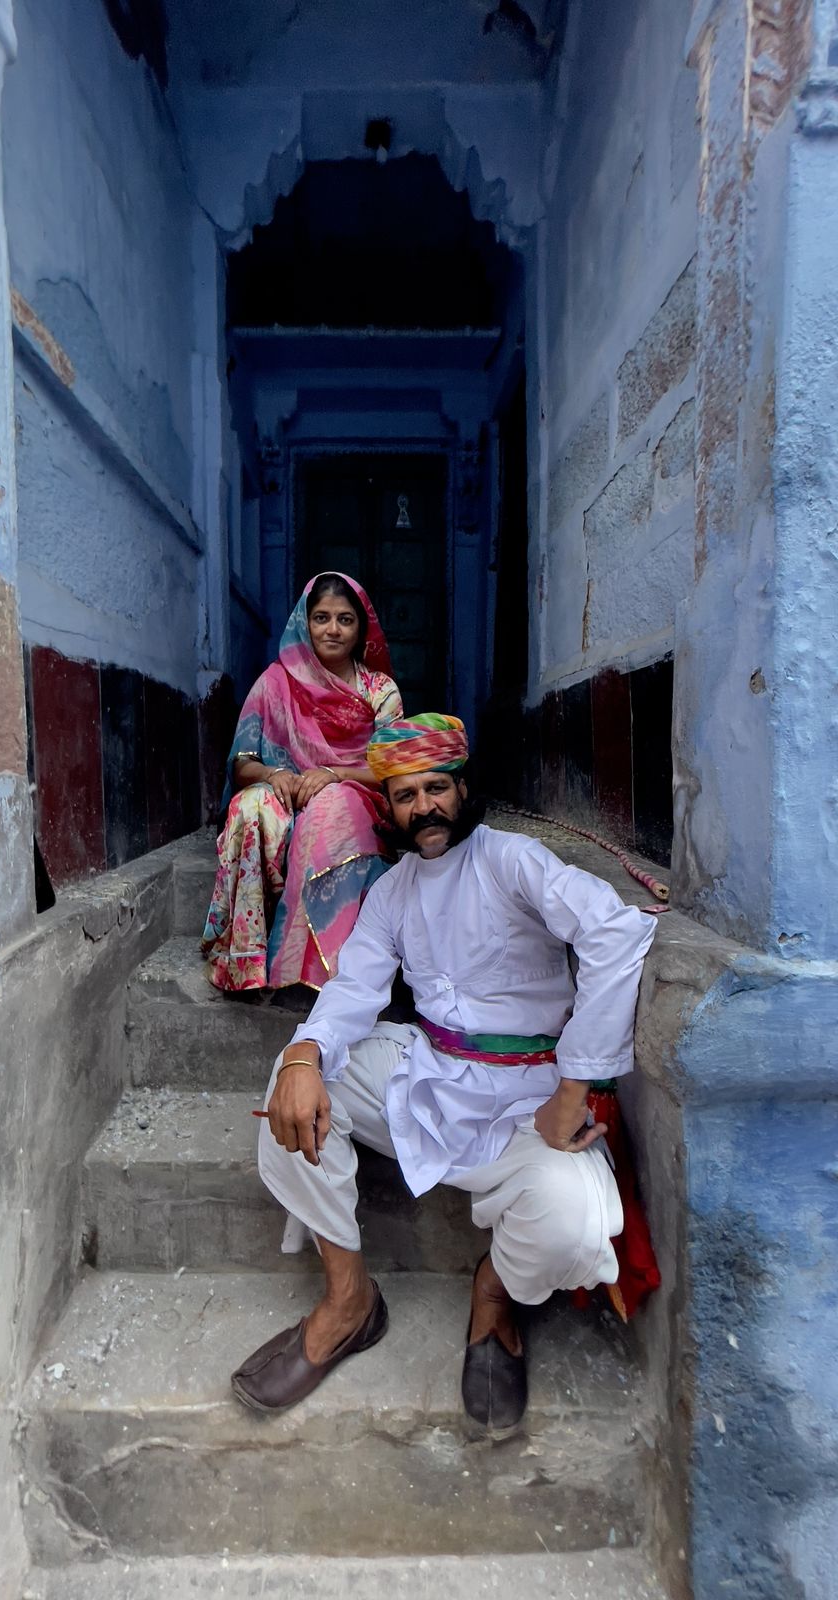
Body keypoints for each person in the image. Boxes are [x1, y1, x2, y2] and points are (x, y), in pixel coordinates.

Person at [230, 712, 659, 1429]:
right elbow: (355, 991)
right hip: (429, 1076)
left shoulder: (511, 860)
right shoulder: (393, 890)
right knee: (293, 1087)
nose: (423, 807)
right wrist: (305, 1053)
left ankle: (494, 1294)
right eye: (404, 795)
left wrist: (575, 1086)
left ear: (463, 788)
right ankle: (349, 1301)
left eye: (436, 788)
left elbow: (617, 934)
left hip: (530, 1101)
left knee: (572, 1224)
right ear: (388, 809)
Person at [201, 573, 403, 993]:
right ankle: (247, 961)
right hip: (287, 792)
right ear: (303, 623)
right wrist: (275, 775)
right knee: (251, 807)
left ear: (361, 628)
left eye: (345, 619)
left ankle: (319, 965)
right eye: (322, 617)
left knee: (331, 810)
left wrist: (334, 774)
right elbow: (242, 763)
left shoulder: (379, 690)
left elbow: (394, 768)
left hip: (354, 794)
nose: (333, 629)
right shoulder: (275, 682)